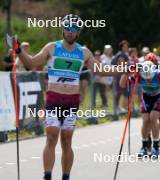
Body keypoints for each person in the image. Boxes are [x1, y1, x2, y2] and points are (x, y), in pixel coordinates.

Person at [15, 14, 126, 180]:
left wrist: (125, 70)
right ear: (63, 29)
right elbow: (31, 63)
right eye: (67, 27)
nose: (70, 31)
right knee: (51, 135)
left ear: (78, 32)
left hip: (71, 102)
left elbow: (101, 70)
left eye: (74, 29)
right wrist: (18, 50)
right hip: (53, 99)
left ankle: (66, 177)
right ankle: (47, 176)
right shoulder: (52, 47)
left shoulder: (84, 52)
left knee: (67, 140)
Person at [120, 53, 160, 157]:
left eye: (150, 79)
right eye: (146, 79)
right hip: (146, 97)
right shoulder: (139, 74)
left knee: (154, 118)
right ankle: (144, 146)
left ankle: (156, 147)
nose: (147, 80)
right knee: (145, 120)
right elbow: (122, 84)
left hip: (158, 97)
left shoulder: (159, 74)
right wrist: (126, 73)